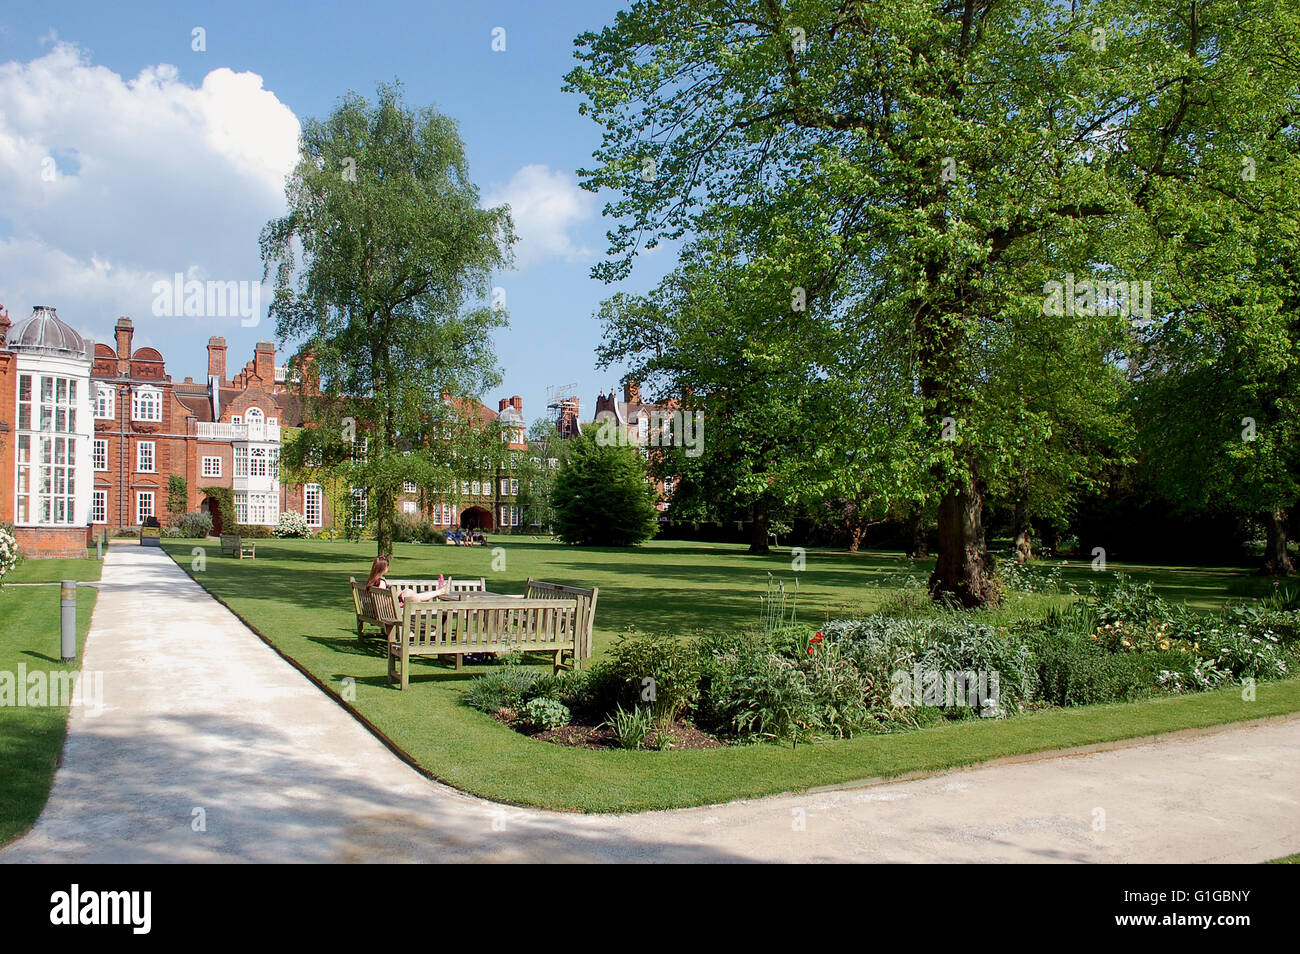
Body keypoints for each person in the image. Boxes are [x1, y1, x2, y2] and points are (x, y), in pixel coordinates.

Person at [366, 555, 444, 605]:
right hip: (390, 609)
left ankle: (439, 592)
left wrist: (397, 593)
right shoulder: (381, 583)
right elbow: (382, 601)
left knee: (409, 593)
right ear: (383, 568)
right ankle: (440, 592)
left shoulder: (372, 581)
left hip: (388, 606)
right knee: (412, 595)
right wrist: (396, 597)